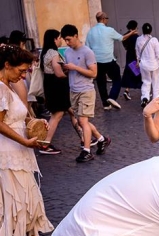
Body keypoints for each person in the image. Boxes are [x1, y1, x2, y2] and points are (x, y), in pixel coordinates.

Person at [0, 44, 56, 236]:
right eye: (21, 70)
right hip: (7, 153)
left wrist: (35, 123)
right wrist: (24, 140)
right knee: (10, 196)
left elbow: (17, 117)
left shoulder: (9, 86)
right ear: (7, 65)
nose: (23, 75)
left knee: (28, 195)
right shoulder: (1, 88)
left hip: (19, 150)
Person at [61, 24, 110, 163]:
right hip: (73, 90)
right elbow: (70, 71)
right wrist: (66, 69)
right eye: (65, 40)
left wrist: (75, 67)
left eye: (69, 39)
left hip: (86, 90)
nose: (67, 42)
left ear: (76, 36)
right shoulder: (67, 52)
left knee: (82, 121)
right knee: (81, 122)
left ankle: (87, 151)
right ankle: (101, 139)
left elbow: (94, 73)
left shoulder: (87, 52)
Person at [38, 29, 79, 156]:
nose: (61, 40)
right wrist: (68, 74)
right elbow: (58, 72)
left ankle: (85, 137)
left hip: (50, 85)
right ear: (54, 39)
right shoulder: (53, 53)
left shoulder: (45, 52)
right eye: (59, 38)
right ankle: (45, 143)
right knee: (58, 114)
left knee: (72, 112)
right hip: (57, 86)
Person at [85, 11, 136, 110]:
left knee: (101, 82)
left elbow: (87, 48)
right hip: (108, 60)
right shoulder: (109, 30)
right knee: (117, 79)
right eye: (107, 18)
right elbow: (122, 38)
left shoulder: (90, 32)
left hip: (97, 61)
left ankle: (105, 104)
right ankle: (112, 97)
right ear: (104, 19)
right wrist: (131, 33)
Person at [136, 23, 159, 108]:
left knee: (146, 82)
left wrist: (138, 61)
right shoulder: (154, 40)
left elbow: (137, 52)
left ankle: (145, 98)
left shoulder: (138, 39)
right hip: (155, 65)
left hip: (144, 65)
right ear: (151, 30)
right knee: (156, 83)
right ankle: (156, 101)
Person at [120, 20, 142, 102]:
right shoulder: (136, 37)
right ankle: (145, 91)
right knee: (139, 73)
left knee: (130, 72)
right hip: (135, 56)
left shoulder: (126, 35)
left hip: (129, 55)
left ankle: (127, 90)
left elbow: (124, 43)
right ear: (135, 27)